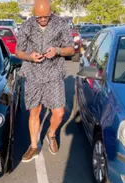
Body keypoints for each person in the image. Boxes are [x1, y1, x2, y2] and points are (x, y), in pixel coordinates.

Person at [15, 0, 75, 162]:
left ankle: (51, 133)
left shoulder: (61, 24)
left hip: (54, 73)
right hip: (33, 74)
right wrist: (29, 56)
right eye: (38, 17)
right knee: (34, 112)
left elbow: (71, 48)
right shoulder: (27, 25)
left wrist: (57, 50)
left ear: (50, 12)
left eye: (45, 17)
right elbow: (18, 51)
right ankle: (34, 146)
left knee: (59, 112)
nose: (41, 19)